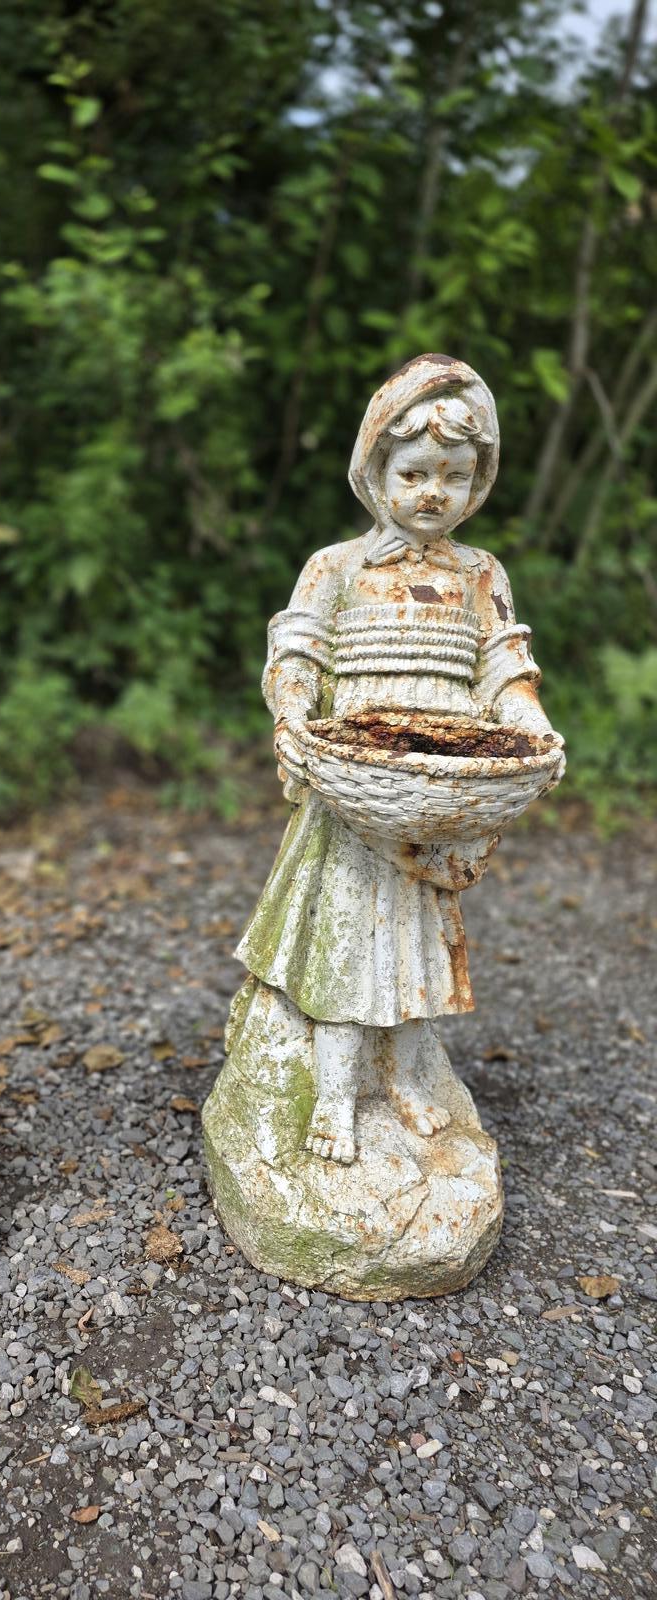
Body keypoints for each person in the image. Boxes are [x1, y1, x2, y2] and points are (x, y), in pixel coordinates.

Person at [237, 353, 563, 1164]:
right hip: (355, 786)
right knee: (347, 946)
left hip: (440, 791)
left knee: (422, 951)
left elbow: (504, 671)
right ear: (374, 470)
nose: (432, 493)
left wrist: (532, 730)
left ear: (477, 483)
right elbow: (297, 655)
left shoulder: (480, 573)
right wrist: (292, 716)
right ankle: (338, 1096)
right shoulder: (337, 568)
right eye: (414, 471)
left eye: (453, 476)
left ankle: (411, 1082)